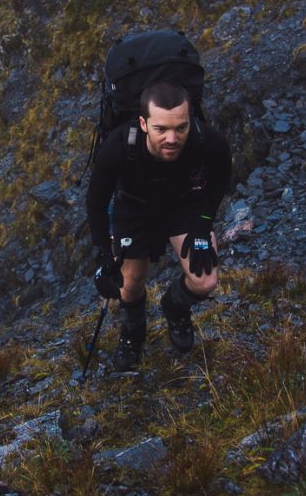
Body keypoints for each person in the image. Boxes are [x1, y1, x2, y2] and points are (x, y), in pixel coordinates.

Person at [85, 80, 232, 371]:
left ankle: (175, 307)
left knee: (205, 280)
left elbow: (220, 177)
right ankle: (134, 330)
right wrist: (104, 255)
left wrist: (203, 225)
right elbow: (95, 202)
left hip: (184, 203)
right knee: (129, 285)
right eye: (161, 129)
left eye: (180, 128)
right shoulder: (117, 147)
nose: (172, 139)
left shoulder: (207, 140)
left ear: (190, 120)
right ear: (143, 123)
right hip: (134, 206)